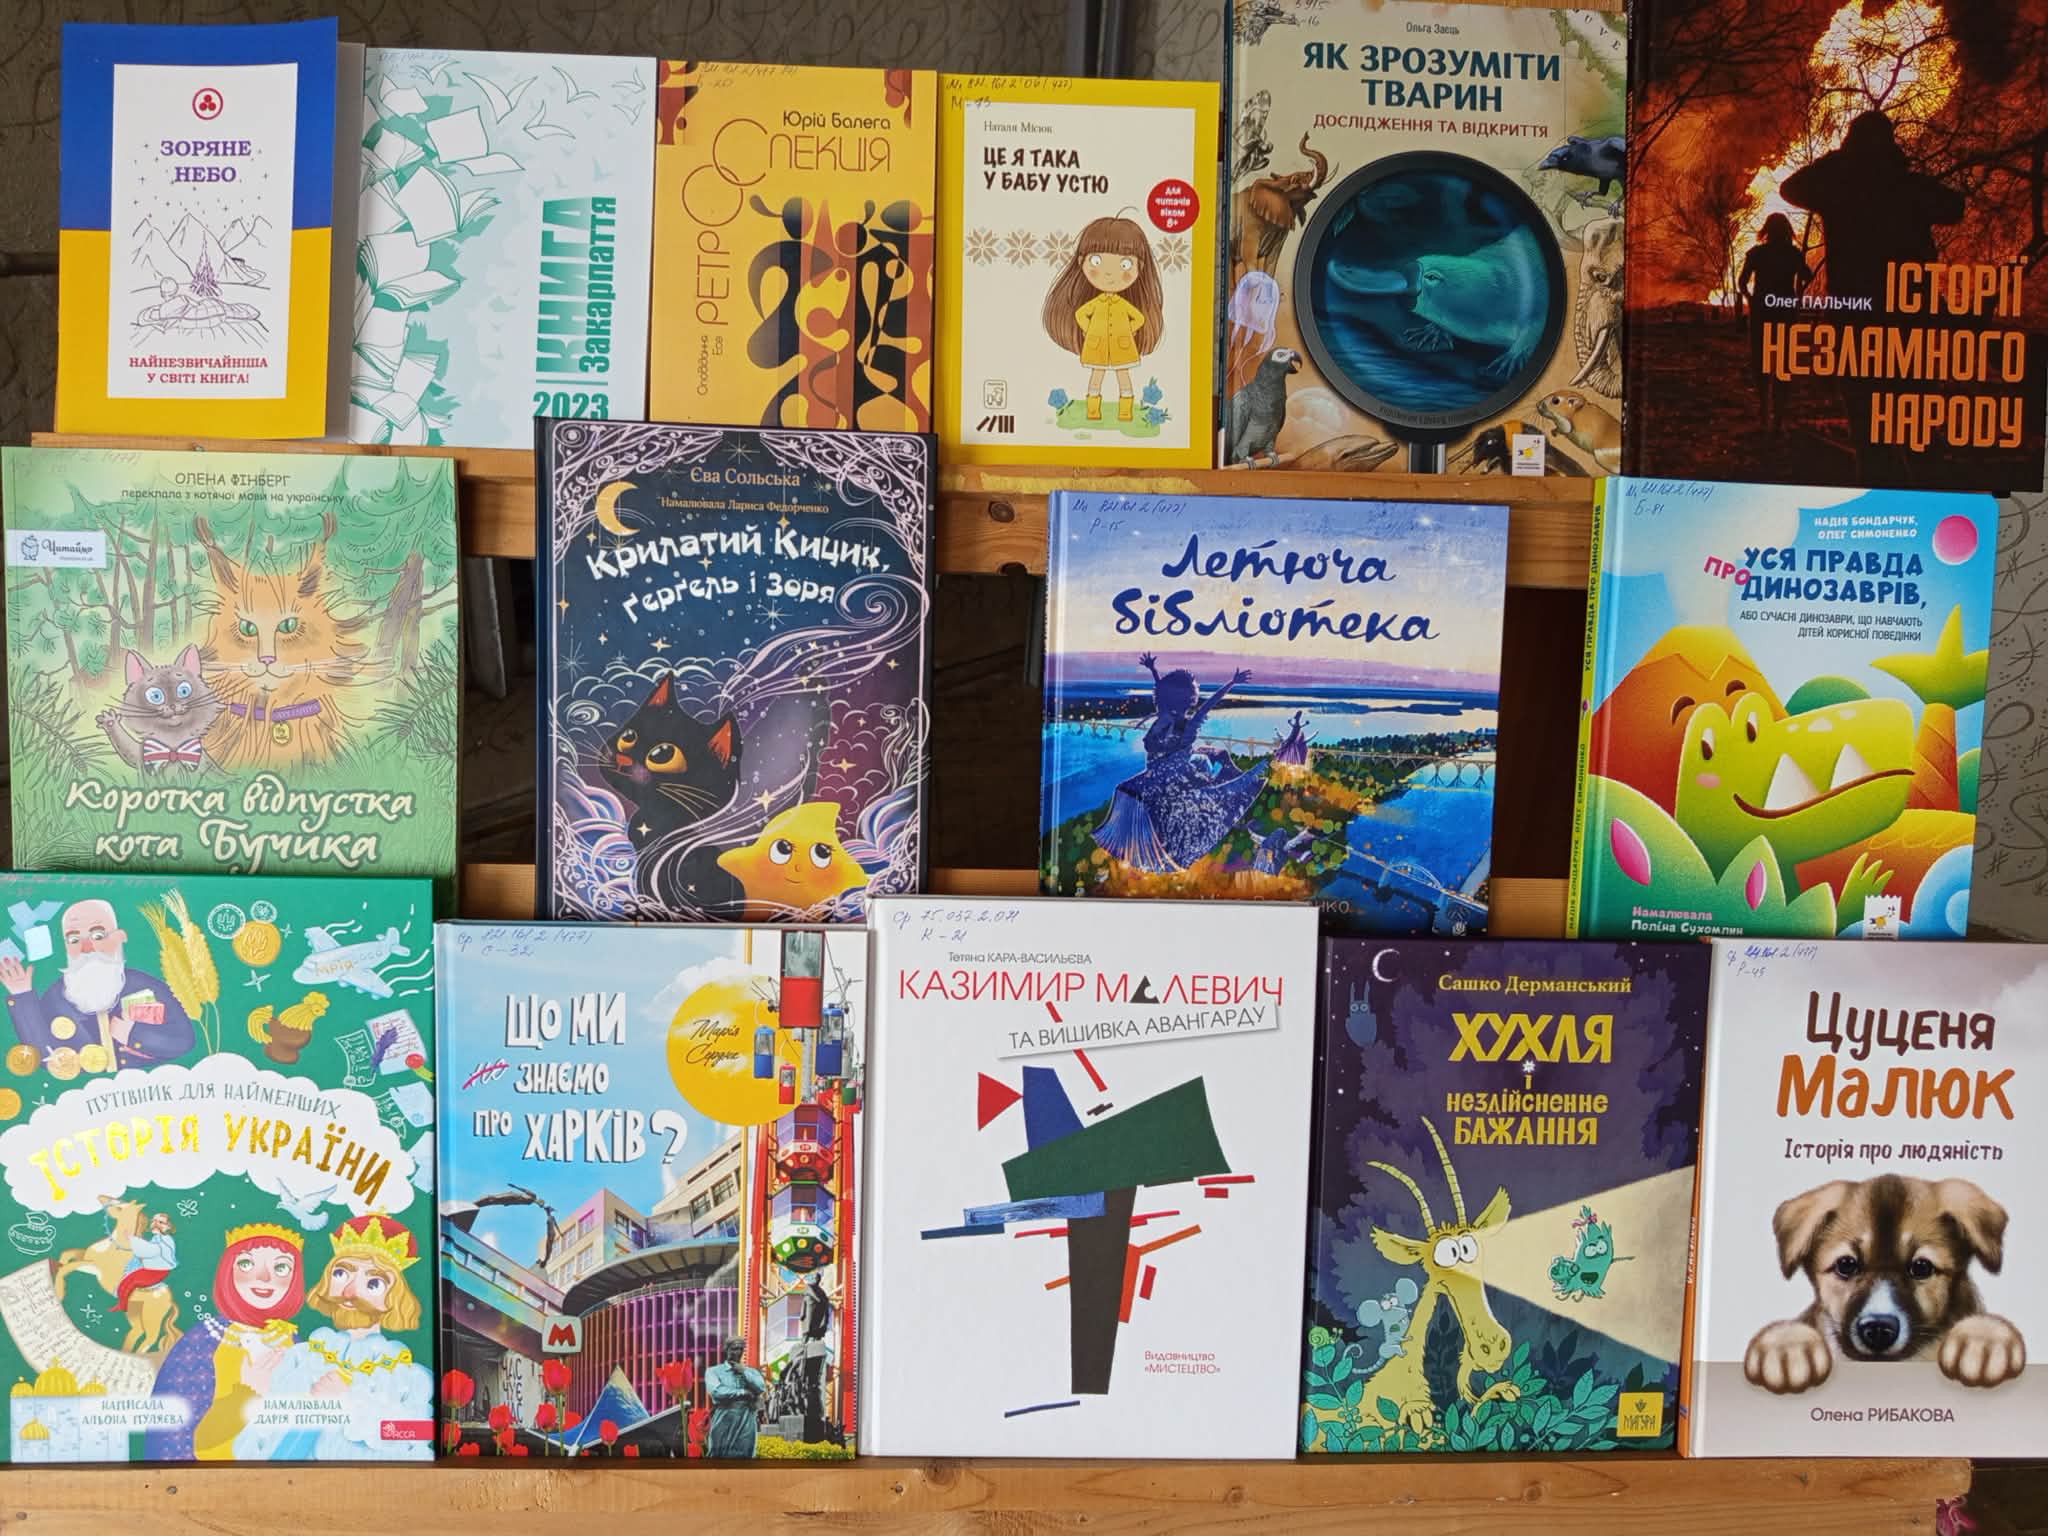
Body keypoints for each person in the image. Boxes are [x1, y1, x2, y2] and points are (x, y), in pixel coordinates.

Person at [234, 1214, 432, 1461]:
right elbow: (249, 1451)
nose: (349, 1292)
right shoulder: (298, 1357)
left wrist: (349, 1403)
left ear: (396, 1298)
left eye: (373, 1284)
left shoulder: (408, 1376)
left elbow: (418, 1435)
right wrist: (264, 1393)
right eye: (341, 1274)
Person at [1092, 654, 1269, 873]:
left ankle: (1238, 778)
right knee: (1214, 781)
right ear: (1189, 699)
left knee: (1212, 757)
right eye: (1194, 693)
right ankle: (1244, 778)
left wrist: (1153, 670)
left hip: (1157, 773)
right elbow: (1208, 706)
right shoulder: (1187, 727)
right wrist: (1231, 683)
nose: (1197, 695)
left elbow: (1163, 693)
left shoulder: (1164, 713)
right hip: (1174, 778)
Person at [145, 1224, 306, 1460]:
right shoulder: (203, 1340)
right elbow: (174, 1435)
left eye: (281, 1268)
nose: (264, 1277)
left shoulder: (291, 1339)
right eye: (246, 1264)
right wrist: (246, 1393)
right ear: (227, 1270)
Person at [0, 899, 194, 1067]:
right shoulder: (56, 997)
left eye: (98, 935)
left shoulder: (144, 986)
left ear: (120, 937)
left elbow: (183, 1041)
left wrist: (133, 1035)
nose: (86, 948)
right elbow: (45, 1057)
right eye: (74, 939)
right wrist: (22, 996)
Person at [1042, 214, 1167, 425]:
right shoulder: (1096, 303)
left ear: (1140, 267)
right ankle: (1093, 411)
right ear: (1081, 262)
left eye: (1125, 264)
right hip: (1096, 346)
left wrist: (1129, 330)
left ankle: (1125, 412)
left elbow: (1138, 318)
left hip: (1123, 346)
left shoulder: (1123, 305)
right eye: (1096, 261)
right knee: (1096, 376)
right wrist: (1089, 328)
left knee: (1123, 377)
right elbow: (1080, 315)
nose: (1109, 273)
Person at [1736, 213, 1811, 431]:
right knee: (1782, 366)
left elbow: (1742, 282)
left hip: (1761, 312)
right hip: (1785, 314)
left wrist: (1751, 299)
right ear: (1787, 231)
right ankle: (1777, 418)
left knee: (1761, 363)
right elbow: (1808, 276)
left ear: (1767, 230)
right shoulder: (1793, 254)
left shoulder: (1757, 253)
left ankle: (1763, 413)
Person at [705, 1335, 766, 1458]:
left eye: (740, 1349)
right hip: (724, 1417)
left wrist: (744, 1371)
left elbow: (760, 1387)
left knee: (746, 1454)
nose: (738, 1352)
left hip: (746, 1419)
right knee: (719, 1454)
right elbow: (717, 1392)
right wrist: (743, 1392)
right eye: (734, 1348)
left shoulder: (751, 1371)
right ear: (726, 1349)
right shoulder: (713, 1371)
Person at [114, 1210, 179, 1313]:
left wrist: (133, 1239)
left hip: (158, 1272)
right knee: (125, 1282)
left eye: (160, 1222)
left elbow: (151, 1251)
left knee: (132, 1283)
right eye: (154, 1221)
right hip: (149, 1270)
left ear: (168, 1226)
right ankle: (121, 1304)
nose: (156, 1224)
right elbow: (148, 1250)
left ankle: (124, 1306)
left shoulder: (166, 1240)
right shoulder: (157, 1238)